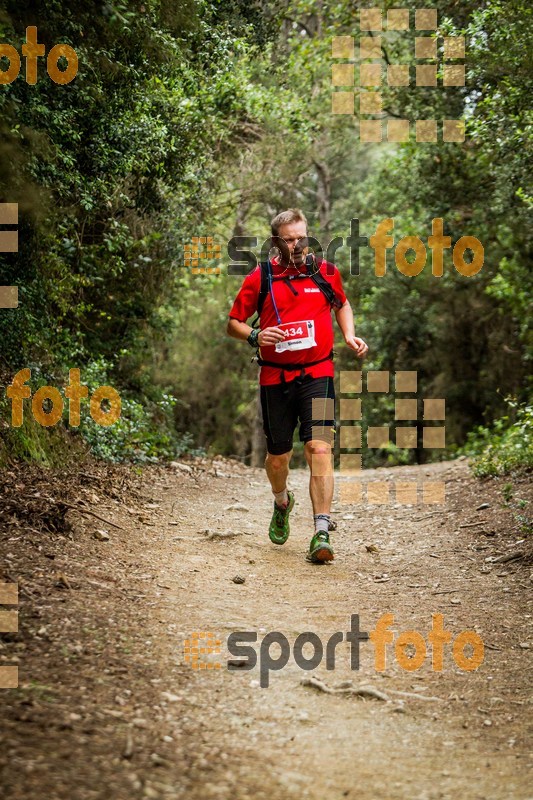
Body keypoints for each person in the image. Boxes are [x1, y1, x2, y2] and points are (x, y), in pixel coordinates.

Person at [227, 208, 368, 563]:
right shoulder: (261, 278)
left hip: (318, 375)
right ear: (276, 241)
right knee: (278, 457)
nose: (297, 245)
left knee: (320, 449)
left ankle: (321, 531)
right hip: (275, 378)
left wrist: (349, 335)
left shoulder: (325, 273)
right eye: (289, 239)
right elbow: (233, 323)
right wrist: (256, 335)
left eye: (301, 237)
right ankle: (281, 501)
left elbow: (343, 303)